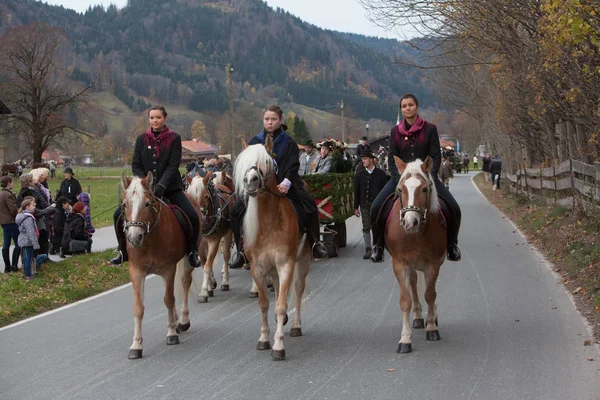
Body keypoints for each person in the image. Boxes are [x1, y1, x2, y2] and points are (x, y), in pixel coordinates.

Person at [228, 105, 328, 269]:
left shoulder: (288, 142)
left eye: (273, 119)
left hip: (285, 184)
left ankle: (315, 243)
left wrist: (286, 182)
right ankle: (240, 251)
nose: (269, 122)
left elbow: (293, 164)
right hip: (259, 187)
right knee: (236, 211)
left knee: (309, 204)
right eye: (267, 119)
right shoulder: (255, 141)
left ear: (280, 120)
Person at [370, 94, 462, 263]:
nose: (407, 108)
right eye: (404, 106)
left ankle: (451, 245)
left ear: (416, 107)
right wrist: (400, 177)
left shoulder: (430, 129)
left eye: (410, 105)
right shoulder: (395, 131)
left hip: (425, 179)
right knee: (375, 208)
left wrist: (429, 177)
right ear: (401, 109)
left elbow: (435, 155)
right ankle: (378, 246)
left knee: (454, 208)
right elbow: (392, 158)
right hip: (401, 179)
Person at [109, 105, 202, 268]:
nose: (155, 120)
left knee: (192, 216)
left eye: (158, 117)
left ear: (164, 118)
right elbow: (136, 164)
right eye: (152, 118)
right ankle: (122, 250)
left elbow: (173, 166)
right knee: (118, 215)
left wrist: (160, 186)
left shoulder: (174, 138)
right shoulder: (141, 139)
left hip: (170, 188)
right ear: (149, 119)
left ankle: (192, 251)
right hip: (145, 189)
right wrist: (144, 183)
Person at [354, 151, 387, 259]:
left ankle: (377, 247)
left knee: (376, 226)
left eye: (366, 159)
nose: (363, 161)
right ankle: (368, 248)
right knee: (366, 226)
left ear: (372, 160)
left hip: (377, 206)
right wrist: (355, 207)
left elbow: (385, 191)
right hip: (364, 204)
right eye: (362, 159)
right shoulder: (359, 175)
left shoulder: (381, 174)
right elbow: (357, 192)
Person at [29, 168, 55, 256]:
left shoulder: (41, 186)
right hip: (42, 214)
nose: (42, 177)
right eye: (40, 175)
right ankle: (43, 257)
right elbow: (42, 201)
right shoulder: (36, 188)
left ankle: (45, 256)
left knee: (45, 237)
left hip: (45, 213)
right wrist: (51, 207)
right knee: (43, 237)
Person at [0, 176, 20, 273]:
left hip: (3, 222)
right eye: (12, 182)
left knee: (6, 244)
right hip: (11, 222)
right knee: (17, 244)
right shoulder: (8, 195)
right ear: (8, 183)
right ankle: (14, 265)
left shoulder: (1, 194)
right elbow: (13, 209)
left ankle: (7, 266)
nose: (13, 184)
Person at [16, 197, 39, 281]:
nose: (34, 207)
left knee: (26, 258)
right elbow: (31, 232)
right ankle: (28, 275)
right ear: (27, 207)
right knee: (28, 259)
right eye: (33, 205)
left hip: (23, 240)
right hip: (28, 241)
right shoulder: (28, 218)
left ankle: (26, 274)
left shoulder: (23, 216)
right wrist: (35, 244)